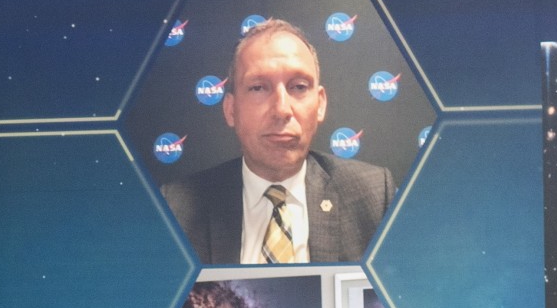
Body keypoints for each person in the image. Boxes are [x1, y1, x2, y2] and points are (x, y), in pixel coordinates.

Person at [161, 19, 394, 265]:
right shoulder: (177, 209)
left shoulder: (373, 197)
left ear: (320, 104)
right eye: (259, 88)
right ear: (231, 109)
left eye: (299, 86)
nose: (282, 109)